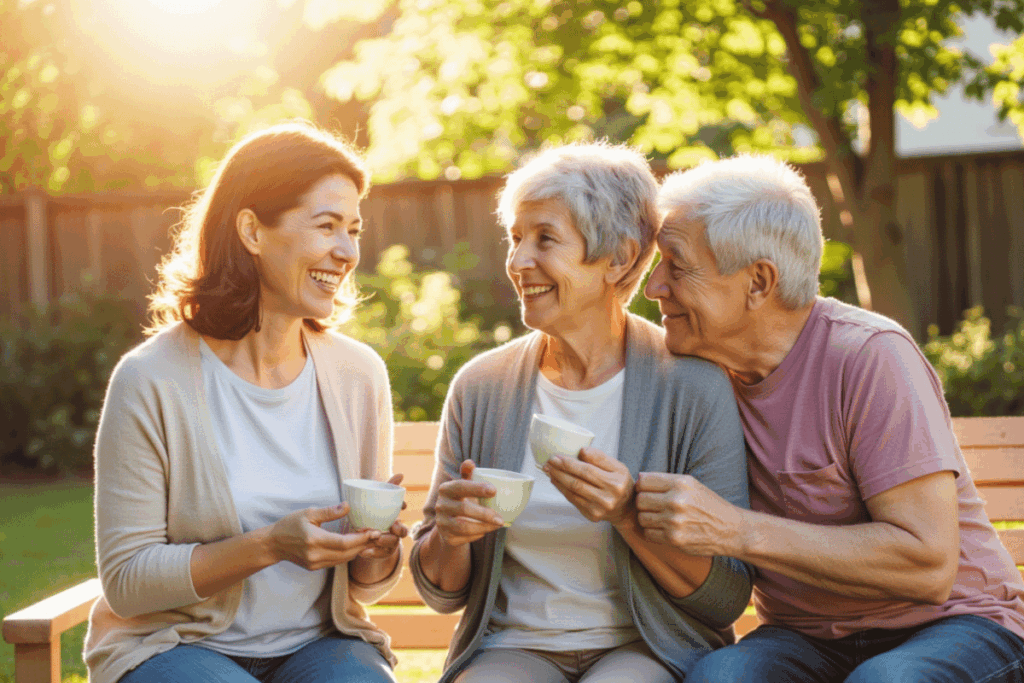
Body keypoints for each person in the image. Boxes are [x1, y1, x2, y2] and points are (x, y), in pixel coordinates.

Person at [639, 153, 1024, 682]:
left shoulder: (869, 357)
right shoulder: (700, 373)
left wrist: (735, 531)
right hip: (808, 639)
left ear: (758, 282)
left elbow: (928, 565)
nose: (653, 286)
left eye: (676, 265)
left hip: (953, 624)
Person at [410, 142, 754, 683]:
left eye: (545, 239)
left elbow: (726, 597)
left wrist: (626, 515)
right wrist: (452, 536)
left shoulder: (692, 386)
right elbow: (439, 592)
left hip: (647, 647)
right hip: (514, 646)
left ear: (617, 258)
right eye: (516, 238)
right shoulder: (482, 388)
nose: (519, 261)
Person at [86, 122, 406, 683]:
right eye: (326, 225)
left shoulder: (359, 376)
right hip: (174, 645)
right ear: (252, 231)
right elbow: (128, 581)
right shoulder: (150, 379)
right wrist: (268, 546)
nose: (347, 251)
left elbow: (364, 586)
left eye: (353, 230)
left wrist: (375, 552)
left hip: (320, 644)